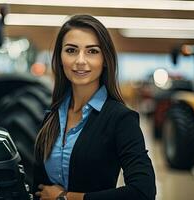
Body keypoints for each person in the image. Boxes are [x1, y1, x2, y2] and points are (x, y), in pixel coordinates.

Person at [33, 14, 156, 200]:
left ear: (105, 59)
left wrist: (66, 197)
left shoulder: (121, 119)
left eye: (92, 51)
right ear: (60, 57)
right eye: (71, 50)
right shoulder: (52, 116)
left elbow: (143, 191)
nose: (80, 60)